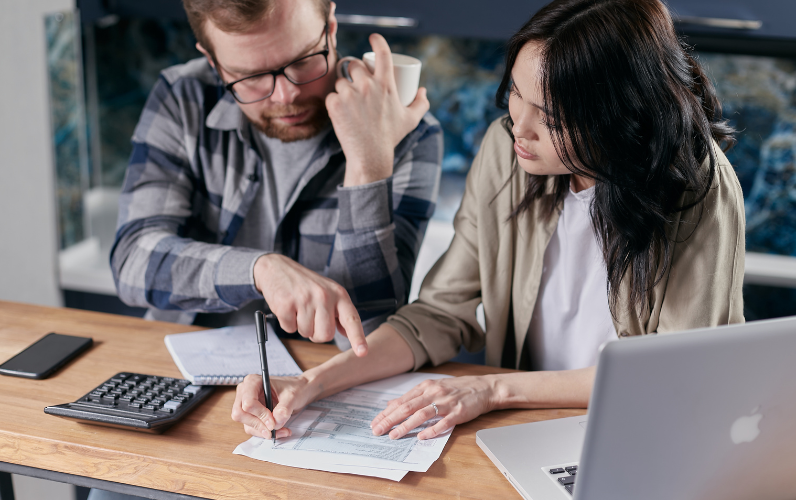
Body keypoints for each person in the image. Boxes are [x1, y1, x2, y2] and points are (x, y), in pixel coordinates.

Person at [231, 0, 745, 443]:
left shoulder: (698, 189)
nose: (518, 125)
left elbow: (674, 375)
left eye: (552, 116)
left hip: (637, 433)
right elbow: (438, 314)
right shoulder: (507, 152)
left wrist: (493, 389)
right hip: (522, 428)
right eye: (517, 92)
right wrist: (313, 381)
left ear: (619, 116)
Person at [109, 0, 443, 355]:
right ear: (212, 61)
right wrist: (260, 271)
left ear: (330, 26)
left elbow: (370, 337)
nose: (288, 95)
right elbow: (132, 261)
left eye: (302, 61)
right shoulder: (184, 97)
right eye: (250, 77)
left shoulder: (407, 132)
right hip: (183, 364)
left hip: (325, 380)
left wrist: (367, 165)